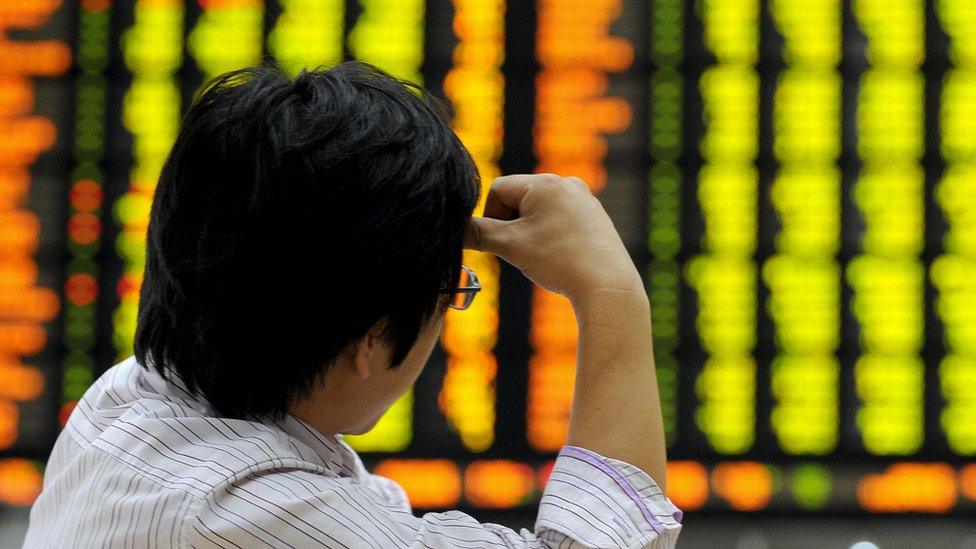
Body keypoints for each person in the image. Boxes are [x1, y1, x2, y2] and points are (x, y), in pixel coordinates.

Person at [24, 60, 682, 548]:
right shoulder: (255, 517)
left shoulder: (125, 399)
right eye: (452, 291)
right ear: (371, 336)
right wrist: (611, 294)